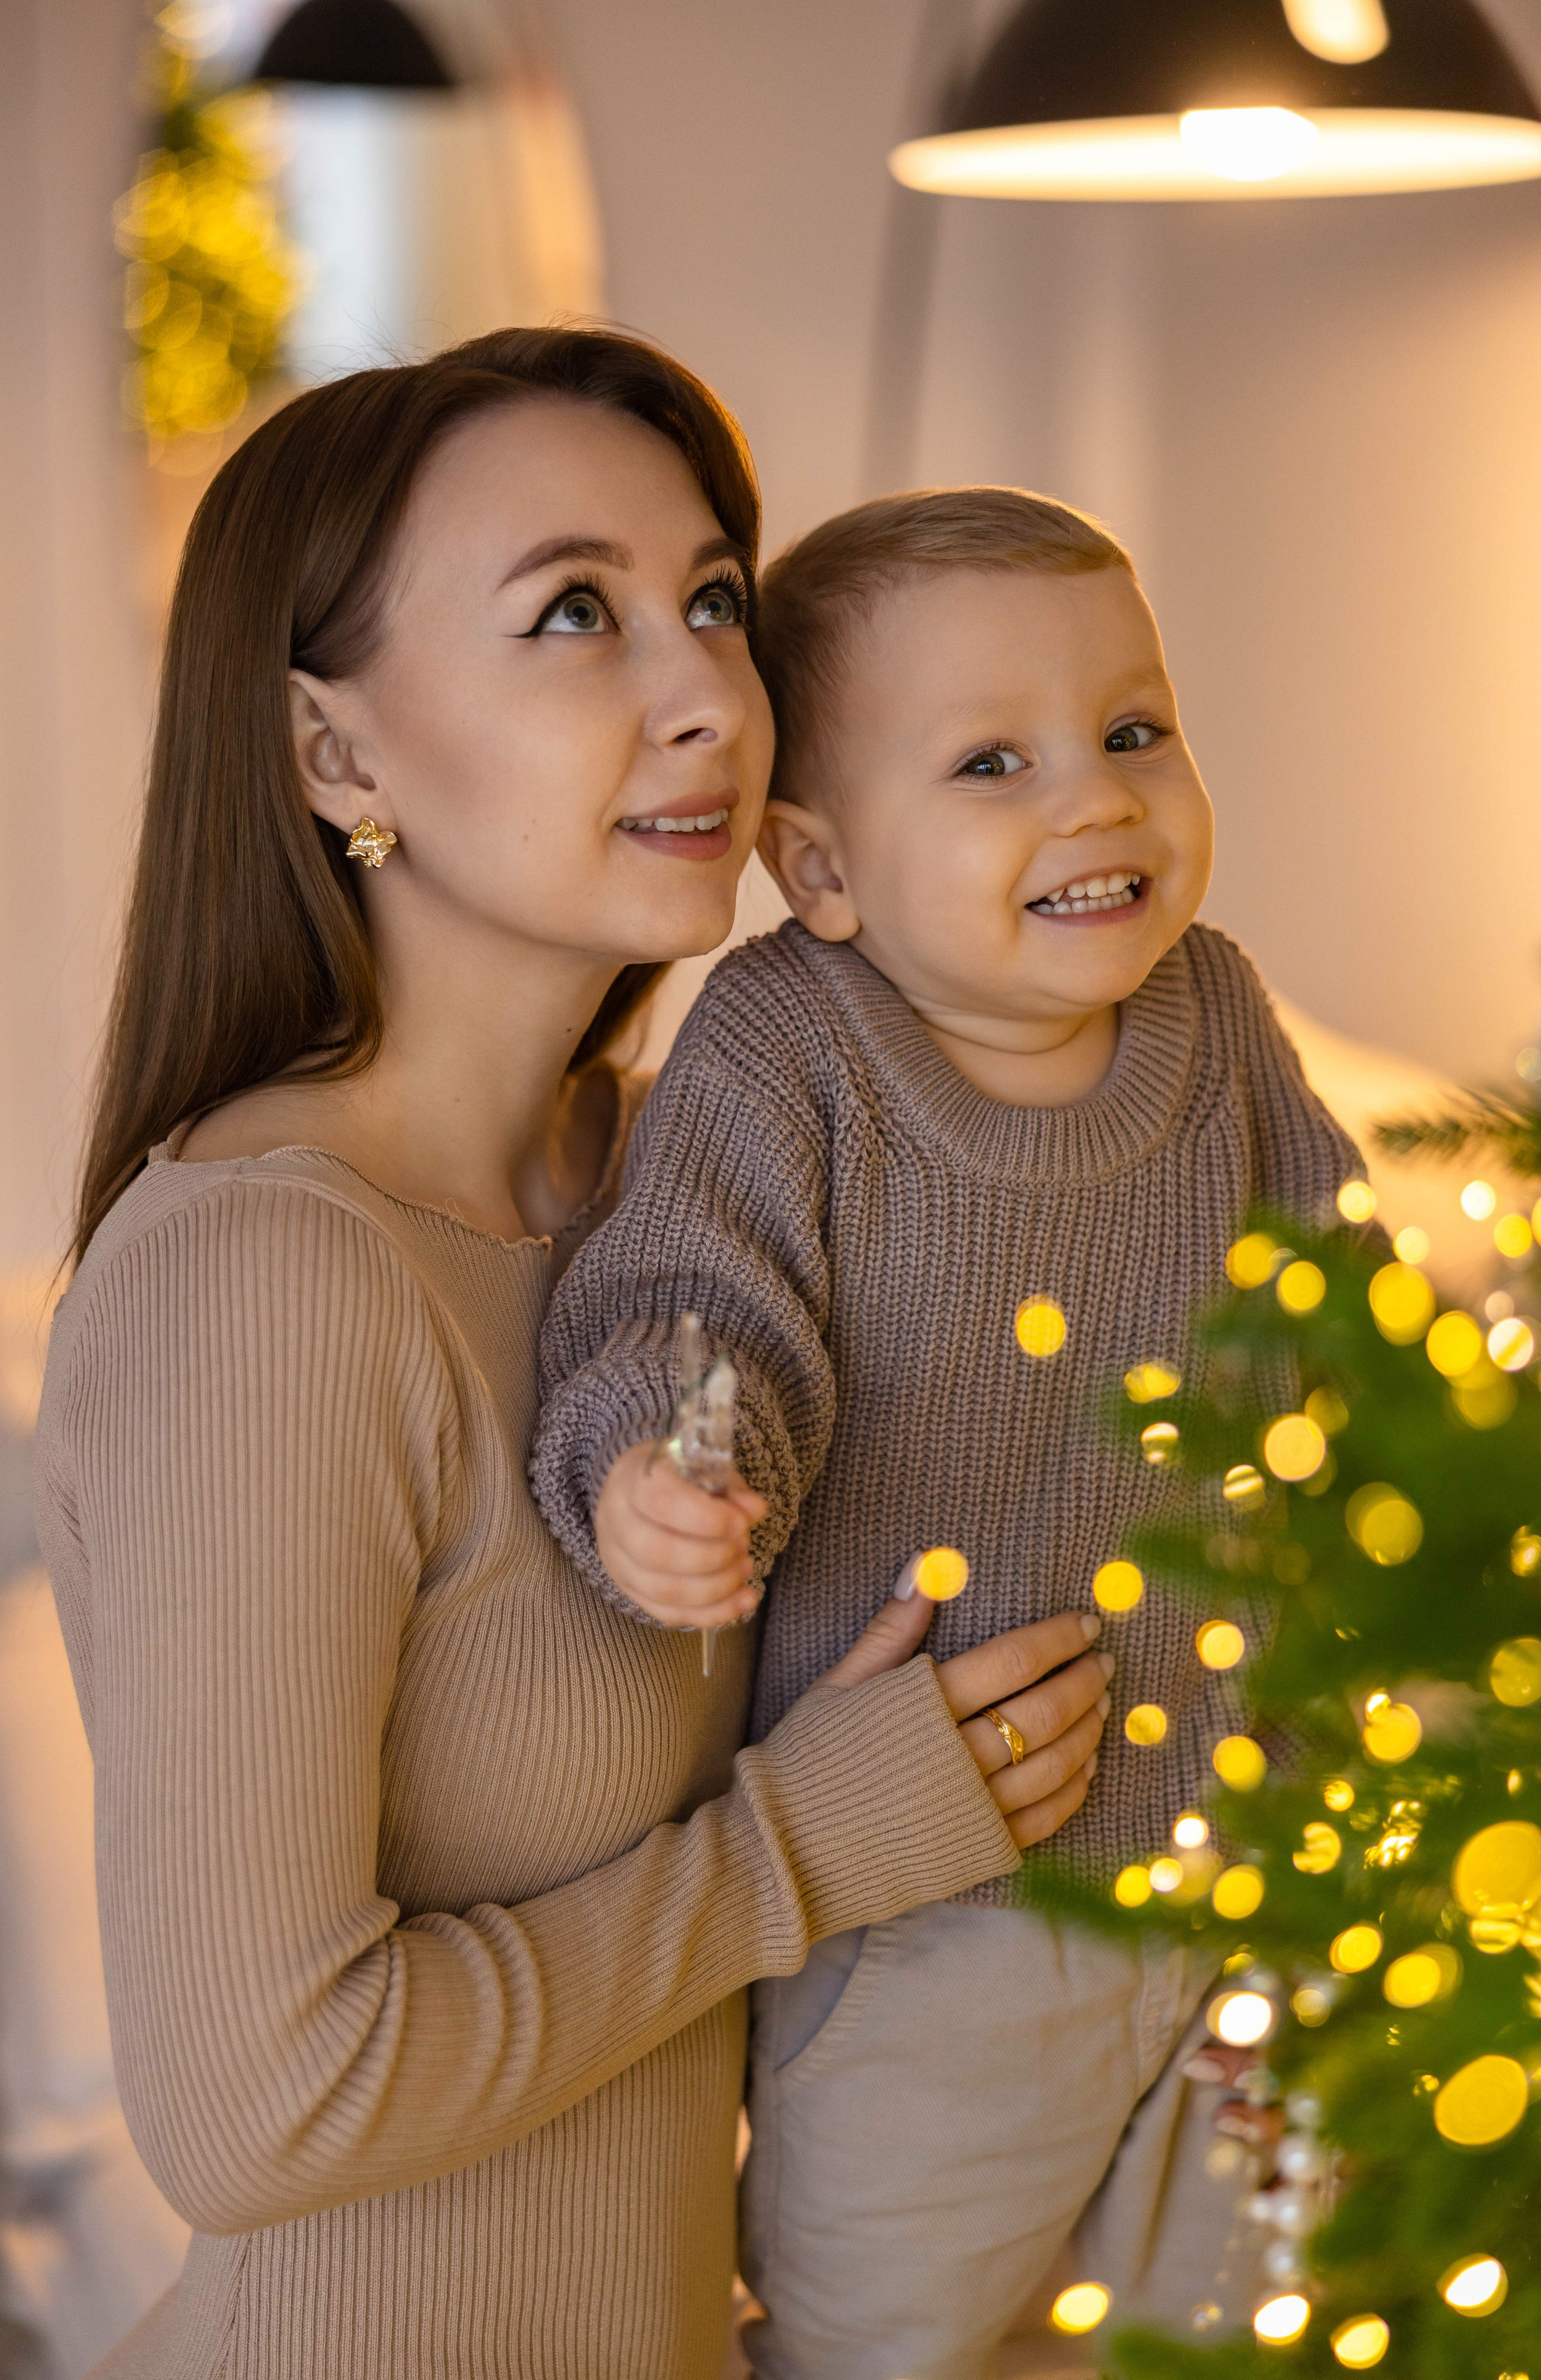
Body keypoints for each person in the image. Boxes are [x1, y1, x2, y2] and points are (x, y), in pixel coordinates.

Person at [35, 341, 1113, 2380]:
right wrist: (797, 1852)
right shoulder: (267, 1277)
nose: (708, 687)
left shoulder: (683, 1191)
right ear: (335, 759)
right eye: (571, 615)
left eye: (714, 597)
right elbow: (255, 2105)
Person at [534, 487, 1364, 2378]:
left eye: (1134, 733)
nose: (1097, 800)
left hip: (1255, 1872)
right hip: (939, 1907)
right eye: (993, 761)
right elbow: (699, 1303)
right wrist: (672, 1470)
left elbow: (1345, 1307)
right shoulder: (791, 1044)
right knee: (882, 2334)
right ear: (820, 870)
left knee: (1249, 2329)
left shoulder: (1218, 1019)